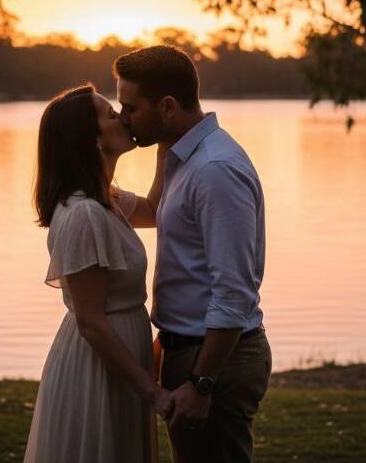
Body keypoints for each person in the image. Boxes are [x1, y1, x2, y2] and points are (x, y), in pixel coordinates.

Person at [114, 45, 271, 463]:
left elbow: (233, 293)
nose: (122, 117)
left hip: (217, 361)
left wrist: (203, 383)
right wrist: (96, 191)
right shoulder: (178, 152)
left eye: (130, 107)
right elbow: (153, 211)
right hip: (187, 349)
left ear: (167, 106)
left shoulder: (215, 170)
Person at [24, 83, 172, 463]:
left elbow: (156, 209)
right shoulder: (84, 213)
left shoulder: (106, 198)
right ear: (91, 141)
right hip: (98, 367)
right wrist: (152, 392)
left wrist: (165, 138)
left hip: (121, 355)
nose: (122, 117)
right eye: (110, 114)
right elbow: (91, 323)